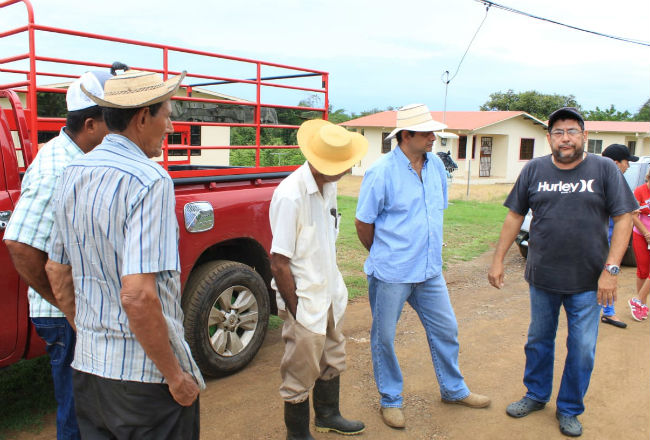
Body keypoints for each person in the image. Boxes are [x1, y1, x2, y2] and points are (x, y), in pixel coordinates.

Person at [45, 69, 204, 439]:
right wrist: (175, 377)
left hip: (89, 370)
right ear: (142, 117)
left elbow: (56, 270)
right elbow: (137, 295)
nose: (170, 126)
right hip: (144, 380)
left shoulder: (72, 172)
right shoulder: (150, 179)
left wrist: (90, 332)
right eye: (167, 115)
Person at [488, 107, 637, 437]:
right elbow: (515, 215)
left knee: (582, 348)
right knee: (538, 340)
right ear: (549, 138)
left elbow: (624, 217)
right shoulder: (535, 169)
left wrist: (611, 270)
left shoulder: (603, 169)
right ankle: (536, 394)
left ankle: (569, 408)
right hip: (543, 277)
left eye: (572, 131)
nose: (565, 138)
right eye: (558, 132)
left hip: (589, 280)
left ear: (584, 136)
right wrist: (498, 259)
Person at [355, 103, 490, 430]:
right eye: (427, 133)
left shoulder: (436, 167)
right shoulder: (381, 171)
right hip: (392, 273)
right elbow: (363, 222)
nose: (433, 138)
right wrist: (384, 253)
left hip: (429, 271)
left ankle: (454, 389)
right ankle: (390, 399)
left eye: (433, 132)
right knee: (384, 338)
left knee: (446, 329)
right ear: (406, 135)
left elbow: (434, 212)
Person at [3, 70, 112, 440]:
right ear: (91, 124)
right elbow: (19, 244)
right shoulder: (59, 169)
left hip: (74, 309)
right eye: (112, 121)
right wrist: (66, 305)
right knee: (80, 411)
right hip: (65, 315)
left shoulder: (76, 155)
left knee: (89, 405)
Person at [270, 119, 368, 439]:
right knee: (299, 371)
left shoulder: (329, 186)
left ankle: (328, 415)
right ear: (322, 163)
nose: (348, 169)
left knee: (333, 356)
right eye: (343, 165)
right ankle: (297, 435)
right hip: (305, 299)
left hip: (327, 293)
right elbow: (279, 263)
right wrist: (297, 311)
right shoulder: (290, 196)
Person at [599, 143, 638, 328]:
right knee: (607, 274)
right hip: (603, 239)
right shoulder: (607, 181)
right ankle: (607, 312)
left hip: (609, 238)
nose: (628, 166)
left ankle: (607, 311)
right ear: (615, 163)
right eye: (626, 162)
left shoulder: (614, 181)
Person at [629, 168, 650, 321]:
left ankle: (637, 300)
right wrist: (646, 233)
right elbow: (633, 215)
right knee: (643, 271)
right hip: (641, 235)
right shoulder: (640, 191)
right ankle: (642, 304)